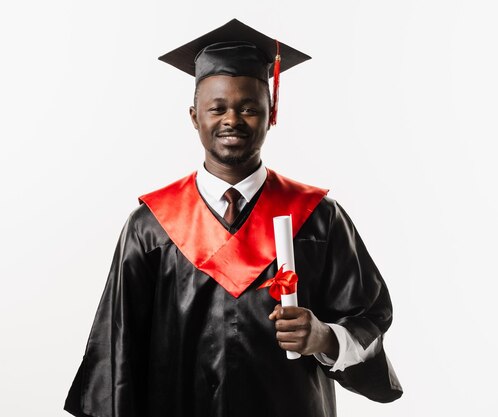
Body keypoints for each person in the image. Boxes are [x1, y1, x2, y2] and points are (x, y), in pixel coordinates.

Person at [64, 19, 402, 417]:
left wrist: (325, 338)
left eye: (249, 108)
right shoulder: (151, 225)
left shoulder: (319, 219)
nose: (232, 120)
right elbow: (118, 347)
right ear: (194, 116)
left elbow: (369, 317)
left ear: (271, 113)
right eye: (217, 108)